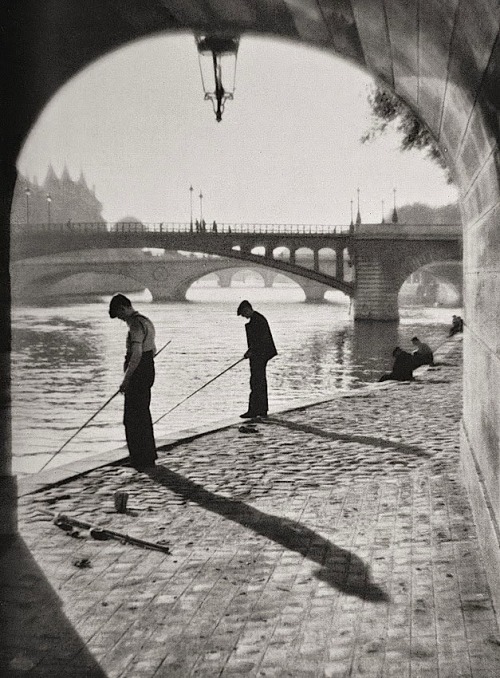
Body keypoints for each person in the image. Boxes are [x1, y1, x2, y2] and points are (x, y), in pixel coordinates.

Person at [109, 294, 157, 471]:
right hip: (148, 369)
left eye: (120, 315)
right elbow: (152, 349)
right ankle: (148, 456)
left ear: (123, 308)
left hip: (137, 374)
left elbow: (136, 354)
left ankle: (138, 459)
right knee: (143, 414)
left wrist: (126, 380)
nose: (122, 320)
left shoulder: (135, 325)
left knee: (131, 418)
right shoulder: (146, 321)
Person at [237, 300, 277, 418]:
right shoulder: (258, 319)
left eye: (244, 313)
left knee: (256, 381)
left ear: (248, 309)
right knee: (259, 381)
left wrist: (251, 352)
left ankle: (254, 410)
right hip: (260, 354)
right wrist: (250, 351)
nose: (244, 317)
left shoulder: (257, 321)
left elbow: (259, 341)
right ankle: (261, 409)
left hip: (259, 355)